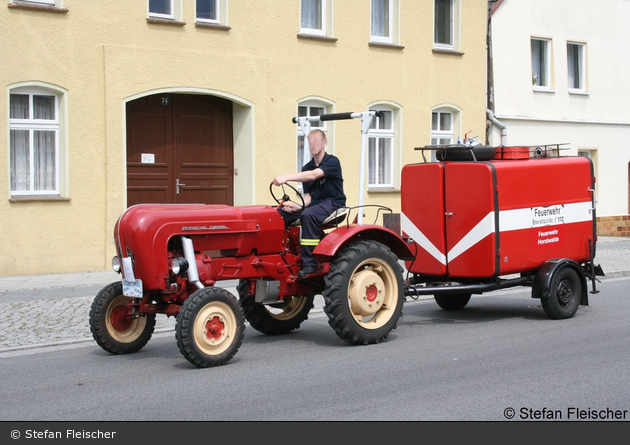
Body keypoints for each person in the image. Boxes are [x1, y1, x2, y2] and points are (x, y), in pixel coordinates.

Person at [273, 129, 346, 277]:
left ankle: (310, 263)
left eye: (316, 140)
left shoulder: (332, 162)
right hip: (315, 204)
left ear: (324, 142)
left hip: (332, 202)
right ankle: (280, 255)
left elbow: (314, 175)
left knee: (308, 215)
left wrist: (286, 177)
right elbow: (309, 196)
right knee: (278, 213)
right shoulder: (307, 167)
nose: (313, 144)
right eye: (310, 141)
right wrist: (298, 205)